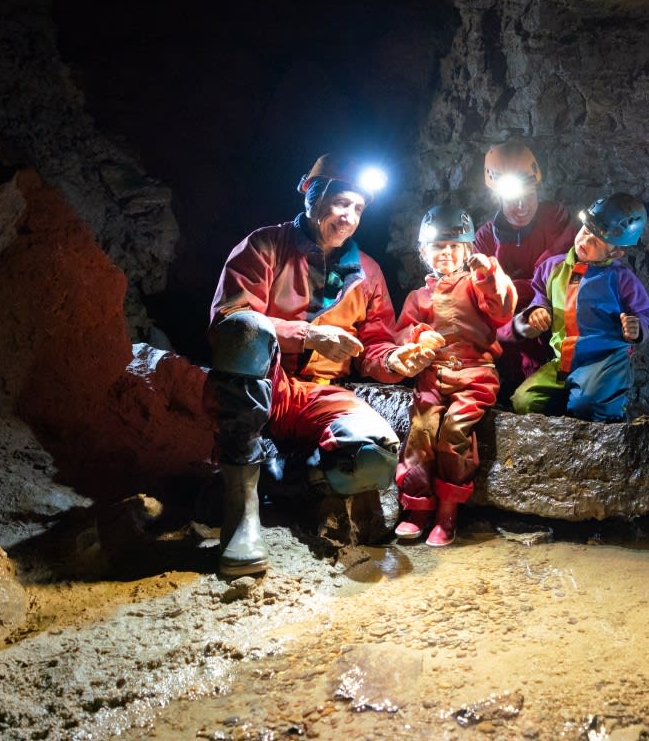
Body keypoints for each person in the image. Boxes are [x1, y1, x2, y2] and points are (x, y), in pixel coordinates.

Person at [206, 154, 433, 578]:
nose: (348, 216)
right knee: (246, 329)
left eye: (359, 208)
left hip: (317, 393)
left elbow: (373, 347)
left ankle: (277, 477)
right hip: (263, 380)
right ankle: (241, 513)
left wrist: (397, 361)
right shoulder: (264, 246)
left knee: (374, 457)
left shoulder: (367, 273)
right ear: (311, 194)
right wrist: (307, 335)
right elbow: (228, 323)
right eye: (340, 203)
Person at [391, 204, 518, 546]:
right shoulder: (419, 296)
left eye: (454, 246)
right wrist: (418, 336)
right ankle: (417, 507)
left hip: (475, 373)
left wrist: (488, 273)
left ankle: (448, 512)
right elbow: (399, 334)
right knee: (420, 429)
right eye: (438, 247)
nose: (446, 253)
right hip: (433, 375)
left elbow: (503, 309)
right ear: (423, 251)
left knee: (455, 429)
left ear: (467, 250)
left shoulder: (476, 285)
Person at [511, 193, 649, 423]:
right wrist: (536, 312)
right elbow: (540, 296)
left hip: (604, 360)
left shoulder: (621, 279)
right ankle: (565, 415)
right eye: (586, 231)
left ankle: (609, 420)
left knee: (587, 405)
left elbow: (645, 313)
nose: (584, 241)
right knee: (524, 400)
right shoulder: (553, 268)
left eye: (597, 241)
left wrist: (637, 327)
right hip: (563, 359)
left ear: (616, 252)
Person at [473, 141, 576, 390]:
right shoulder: (485, 239)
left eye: (529, 196)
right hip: (511, 342)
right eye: (513, 199)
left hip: (557, 328)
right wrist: (516, 327)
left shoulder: (553, 218)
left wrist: (527, 296)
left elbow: (562, 274)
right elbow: (481, 306)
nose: (522, 207)